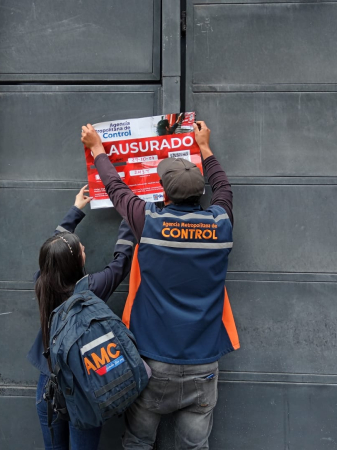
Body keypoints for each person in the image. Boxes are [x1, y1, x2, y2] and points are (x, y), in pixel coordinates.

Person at [81, 121, 239, 450]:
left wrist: (98, 149)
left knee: (138, 442)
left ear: (163, 193)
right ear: (201, 194)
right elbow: (224, 189)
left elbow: (117, 189)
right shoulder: (220, 225)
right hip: (204, 364)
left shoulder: (150, 223)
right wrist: (205, 148)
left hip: (153, 363)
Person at [27, 185, 138, 450]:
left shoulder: (42, 282)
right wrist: (128, 217)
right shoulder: (91, 288)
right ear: (76, 262)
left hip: (49, 386)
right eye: (81, 250)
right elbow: (121, 262)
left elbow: (53, 251)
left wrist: (75, 210)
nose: (84, 248)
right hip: (84, 390)